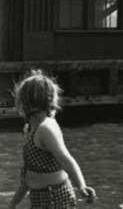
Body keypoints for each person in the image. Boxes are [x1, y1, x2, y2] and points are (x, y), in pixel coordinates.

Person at [8, 69, 96, 209]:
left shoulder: (45, 129)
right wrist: (13, 204)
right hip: (39, 200)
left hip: (55, 200)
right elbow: (28, 176)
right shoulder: (29, 129)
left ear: (27, 102)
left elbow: (65, 160)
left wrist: (81, 186)